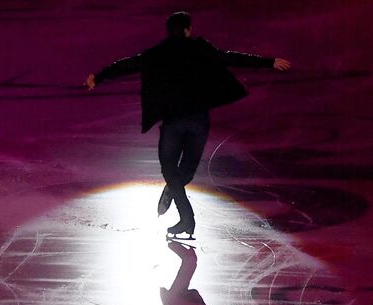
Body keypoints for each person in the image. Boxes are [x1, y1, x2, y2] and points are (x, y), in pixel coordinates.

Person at [85, 11, 291, 238]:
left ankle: (183, 212)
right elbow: (230, 57)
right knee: (185, 172)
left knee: (170, 171)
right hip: (198, 122)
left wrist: (99, 76)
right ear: (187, 29)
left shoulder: (157, 53)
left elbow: (127, 64)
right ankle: (182, 211)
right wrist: (269, 62)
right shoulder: (200, 47)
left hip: (173, 122)